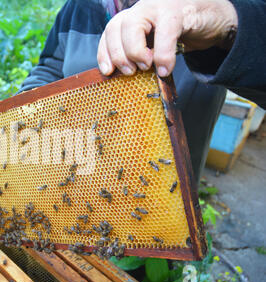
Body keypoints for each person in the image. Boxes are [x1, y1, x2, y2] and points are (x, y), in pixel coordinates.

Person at [19, 0, 266, 181]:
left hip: (160, 195)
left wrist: (230, 27)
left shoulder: (213, 7)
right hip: (72, 183)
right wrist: (26, 111)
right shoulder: (77, 7)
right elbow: (50, 67)